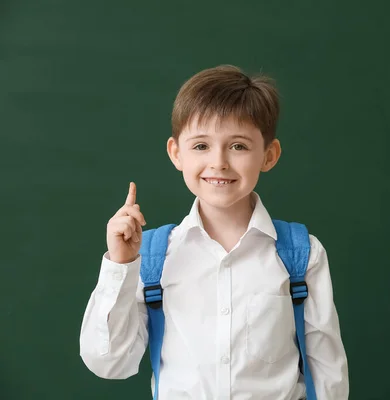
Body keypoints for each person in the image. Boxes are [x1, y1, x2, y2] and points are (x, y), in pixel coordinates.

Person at [79, 65, 349, 399]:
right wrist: (120, 266)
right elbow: (109, 364)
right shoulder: (152, 258)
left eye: (238, 146)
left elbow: (327, 372)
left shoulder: (301, 254)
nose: (218, 162)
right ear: (176, 153)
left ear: (269, 155)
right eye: (201, 146)